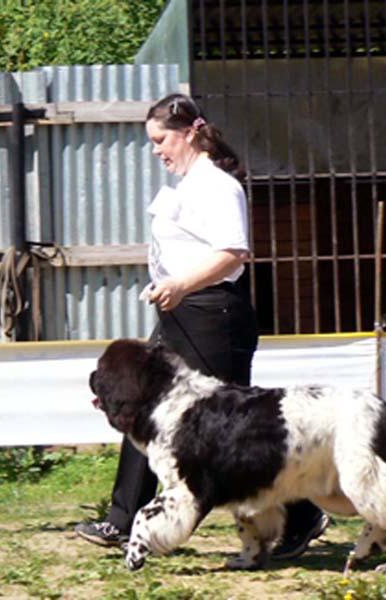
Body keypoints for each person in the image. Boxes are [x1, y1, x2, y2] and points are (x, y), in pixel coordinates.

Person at [74, 93, 327, 560]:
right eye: (151, 142)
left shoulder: (217, 186)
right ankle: (123, 517)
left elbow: (233, 253)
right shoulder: (189, 184)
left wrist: (181, 285)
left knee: (240, 432)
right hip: (182, 311)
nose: (156, 150)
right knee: (139, 405)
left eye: (161, 139)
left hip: (213, 316)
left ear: (191, 130)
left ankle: (305, 514)